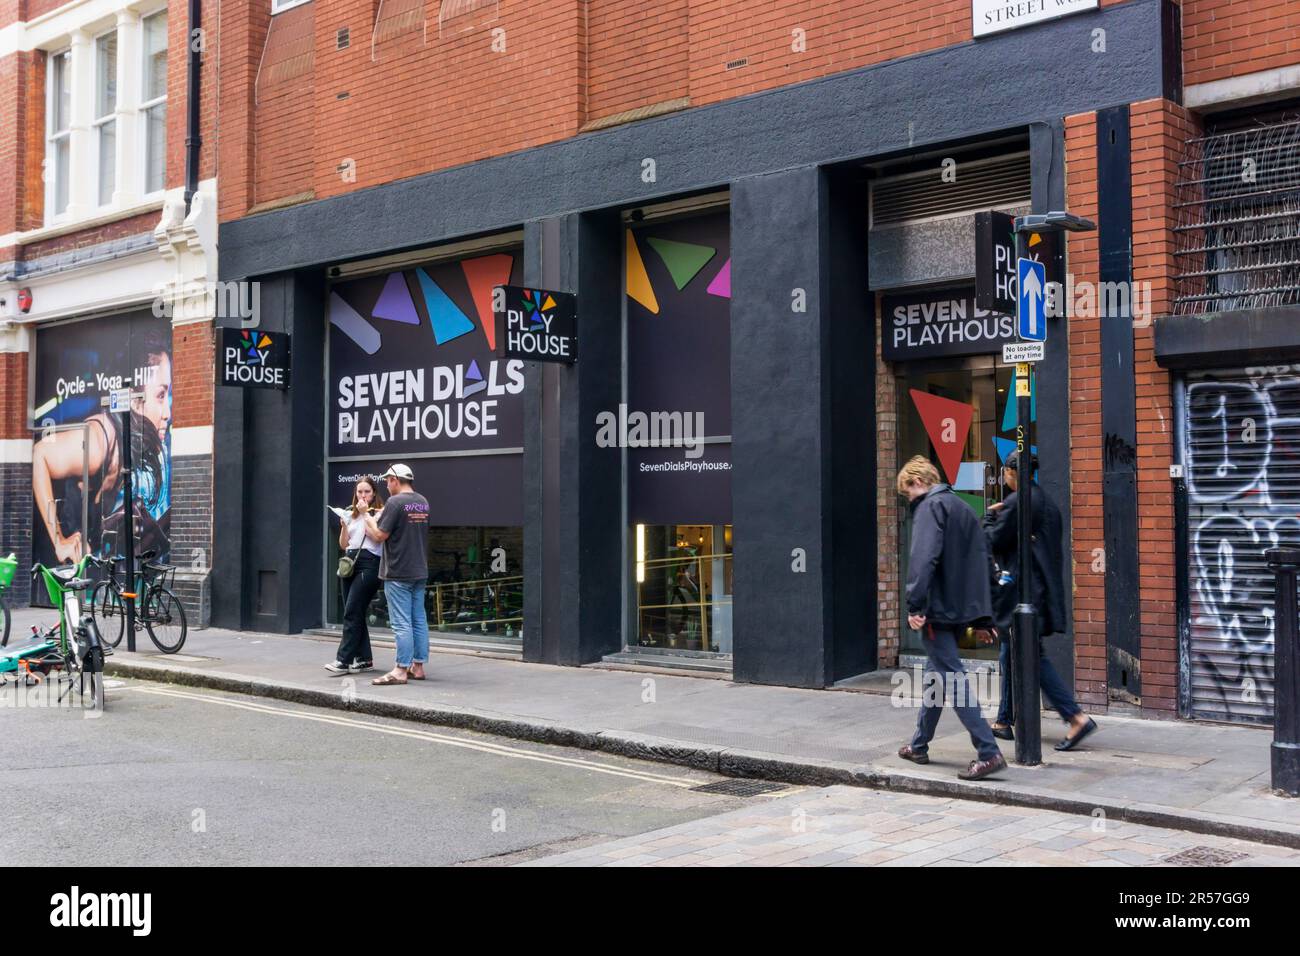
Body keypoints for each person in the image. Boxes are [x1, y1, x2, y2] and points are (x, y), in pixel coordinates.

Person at [895, 456, 1007, 780]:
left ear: (918, 482)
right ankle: (919, 745)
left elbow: (923, 559)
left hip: (937, 610)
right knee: (936, 674)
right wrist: (985, 618)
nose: (909, 499)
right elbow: (984, 560)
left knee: (952, 677)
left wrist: (914, 607)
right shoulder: (962, 507)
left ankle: (988, 751)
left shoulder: (931, 508)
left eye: (907, 492)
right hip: (960, 610)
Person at [984, 451, 1098, 751]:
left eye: (1004, 472)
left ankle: (1075, 717)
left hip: (1025, 595)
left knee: (1033, 658)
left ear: (1011, 472)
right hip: (1041, 592)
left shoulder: (1019, 503)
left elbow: (994, 540)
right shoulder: (1044, 502)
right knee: (1013, 652)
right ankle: (1004, 719)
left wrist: (990, 517)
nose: (1004, 477)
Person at [32, 342, 172, 564]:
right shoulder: (99, 442)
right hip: (44, 553)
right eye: (160, 395)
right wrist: (58, 539)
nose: (167, 413)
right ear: (135, 401)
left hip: (72, 560)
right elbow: (40, 454)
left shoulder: (123, 447)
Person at [366, 464, 430, 686]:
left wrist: (368, 518)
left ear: (395, 479)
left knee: (401, 623)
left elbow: (379, 535)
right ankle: (418, 667)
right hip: (419, 570)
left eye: (387, 480)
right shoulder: (422, 501)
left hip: (398, 571)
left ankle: (401, 670)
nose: (386, 484)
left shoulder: (395, 502)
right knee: (418, 620)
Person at [326, 477, 385, 675]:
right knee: (355, 612)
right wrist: (344, 525)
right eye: (359, 492)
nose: (363, 495)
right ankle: (365, 659)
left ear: (374, 493)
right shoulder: (352, 514)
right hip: (349, 563)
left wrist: (364, 513)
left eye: (367, 491)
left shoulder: (378, 512)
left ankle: (343, 660)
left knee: (351, 611)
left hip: (369, 564)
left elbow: (374, 536)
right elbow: (344, 545)